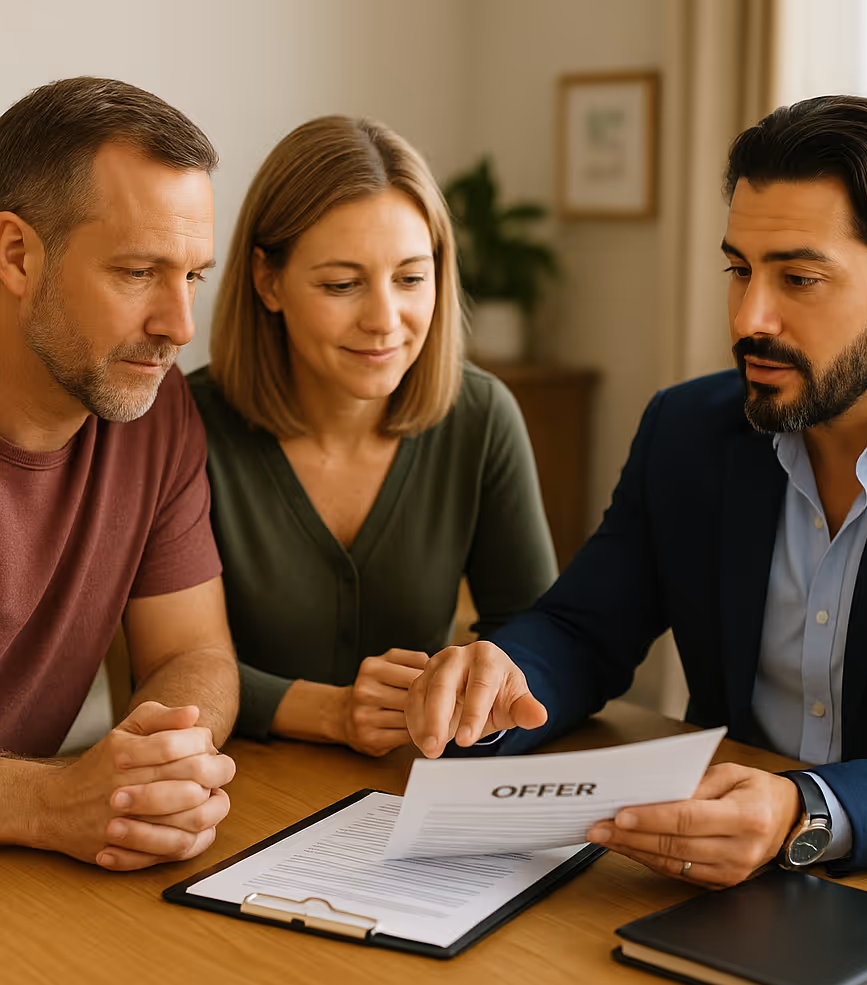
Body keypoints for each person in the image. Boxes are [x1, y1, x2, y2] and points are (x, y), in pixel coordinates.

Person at [403, 95, 867, 888]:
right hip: (708, 875)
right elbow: (583, 630)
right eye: (739, 270)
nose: (748, 317)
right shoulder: (687, 431)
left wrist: (808, 810)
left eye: (799, 277)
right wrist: (494, 684)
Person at [187, 116, 556, 755]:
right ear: (267, 281)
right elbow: (170, 664)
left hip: (414, 787)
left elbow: (536, 634)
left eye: (411, 278)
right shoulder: (185, 425)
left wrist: (489, 680)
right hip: (232, 791)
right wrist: (331, 712)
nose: (385, 320)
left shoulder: (482, 415)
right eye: (342, 284)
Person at [0, 78, 238, 871]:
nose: (179, 326)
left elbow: (192, 652)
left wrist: (156, 766)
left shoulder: (152, 403)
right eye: (139, 272)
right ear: (16, 254)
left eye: (193, 274)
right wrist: (43, 803)